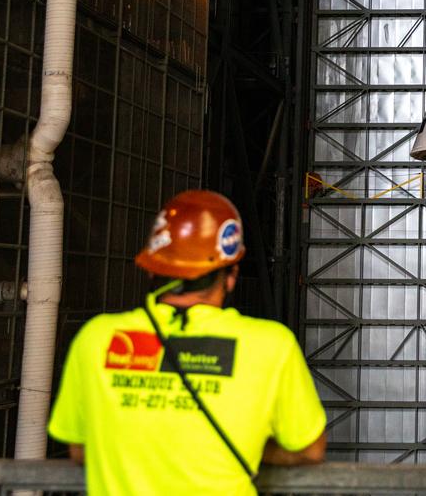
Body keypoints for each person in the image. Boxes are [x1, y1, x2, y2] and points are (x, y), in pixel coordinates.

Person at [48, 190, 326, 495]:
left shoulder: (97, 339)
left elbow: (80, 449)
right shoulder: (271, 346)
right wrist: (246, 444)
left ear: (155, 267)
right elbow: (309, 451)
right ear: (231, 275)